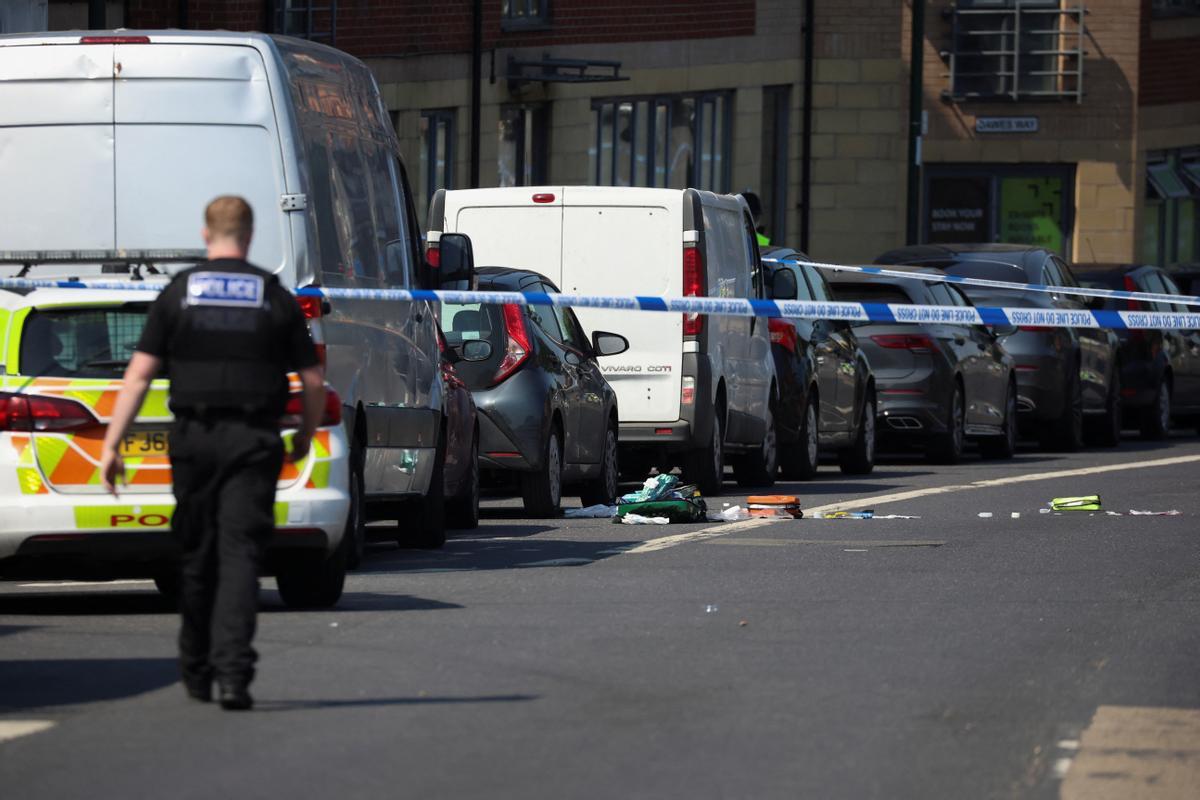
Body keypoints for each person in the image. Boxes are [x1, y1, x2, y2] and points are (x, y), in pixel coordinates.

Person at [100, 196, 325, 711]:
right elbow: (312, 382)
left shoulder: (179, 293)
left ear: (206, 234)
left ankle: (195, 667)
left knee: (198, 553)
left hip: (195, 441)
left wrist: (113, 445)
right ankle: (234, 676)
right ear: (249, 236)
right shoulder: (273, 297)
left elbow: (137, 376)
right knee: (241, 553)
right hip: (253, 441)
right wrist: (305, 435)